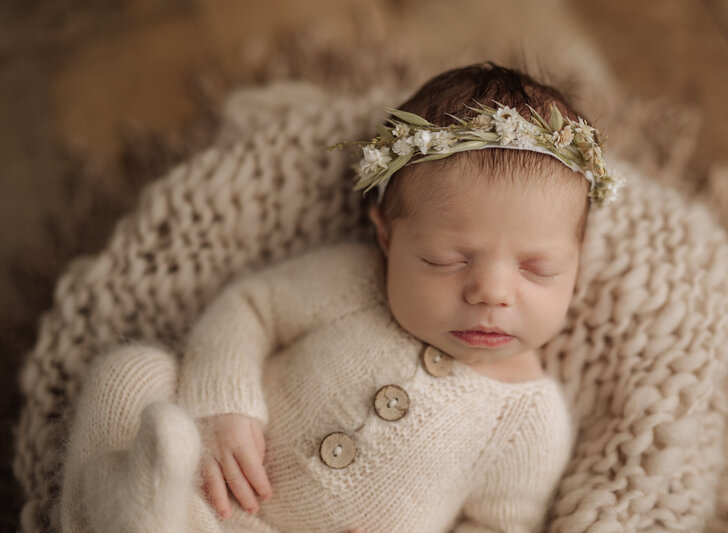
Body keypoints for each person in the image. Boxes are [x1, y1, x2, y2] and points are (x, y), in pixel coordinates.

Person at [60, 62, 623, 533]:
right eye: (445, 261)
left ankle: (129, 508)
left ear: (576, 263)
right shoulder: (356, 282)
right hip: (205, 478)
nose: (492, 293)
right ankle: (124, 501)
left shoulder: (531, 417)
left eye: (538, 269)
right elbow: (250, 309)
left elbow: (499, 525)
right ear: (387, 239)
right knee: (132, 371)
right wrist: (223, 404)